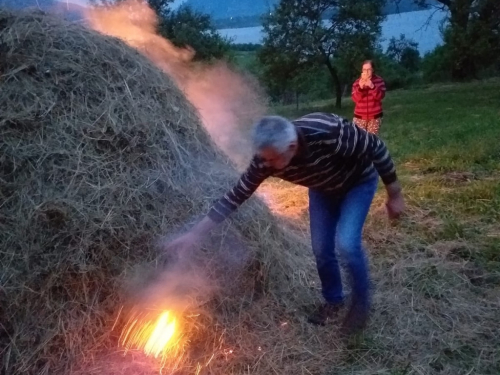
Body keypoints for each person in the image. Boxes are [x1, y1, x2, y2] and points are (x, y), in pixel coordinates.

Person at [163, 112, 405, 335]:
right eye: (263, 159)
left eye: (270, 160)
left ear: (291, 147)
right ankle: (333, 300)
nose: (264, 165)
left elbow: (376, 148)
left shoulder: (329, 132)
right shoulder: (265, 159)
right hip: (322, 190)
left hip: (357, 183)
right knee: (321, 248)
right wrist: (194, 234)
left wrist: (394, 194)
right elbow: (235, 196)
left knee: (347, 243)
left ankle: (360, 305)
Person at [352, 60, 386, 135]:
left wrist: (372, 86)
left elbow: (381, 96)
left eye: (369, 69)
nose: (366, 72)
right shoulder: (357, 83)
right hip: (359, 118)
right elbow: (355, 99)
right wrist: (360, 88)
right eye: (364, 69)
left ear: (373, 70)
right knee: (359, 140)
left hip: (375, 118)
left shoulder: (379, 81)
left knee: (371, 142)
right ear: (362, 70)